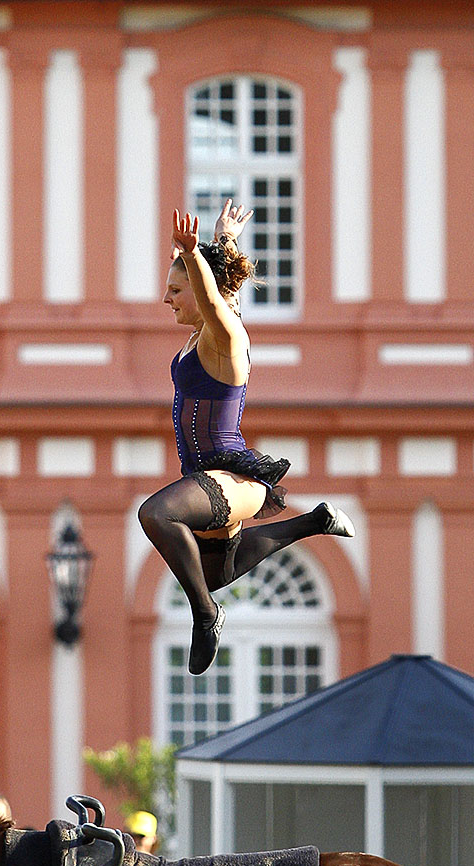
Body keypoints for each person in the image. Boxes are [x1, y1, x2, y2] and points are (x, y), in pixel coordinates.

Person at [138, 201, 355, 675]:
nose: (167, 298)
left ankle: (205, 616)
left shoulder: (227, 338)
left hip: (233, 477)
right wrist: (224, 241)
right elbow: (223, 296)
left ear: (200, 289)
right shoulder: (201, 336)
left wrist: (195, 255)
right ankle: (312, 521)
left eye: (176, 290)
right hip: (204, 476)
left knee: (155, 514)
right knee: (216, 573)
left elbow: (217, 302)